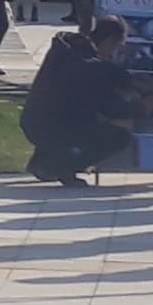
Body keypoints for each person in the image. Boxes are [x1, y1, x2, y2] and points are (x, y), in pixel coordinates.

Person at [21, 15, 140, 187]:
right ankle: (60, 168)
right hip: (52, 126)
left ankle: (43, 161)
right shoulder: (90, 66)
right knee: (118, 137)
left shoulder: (70, 51)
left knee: (78, 122)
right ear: (109, 41)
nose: (114, 53)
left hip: (34, 121)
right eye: (116, 47)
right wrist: (141, 108)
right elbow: (109, 108)